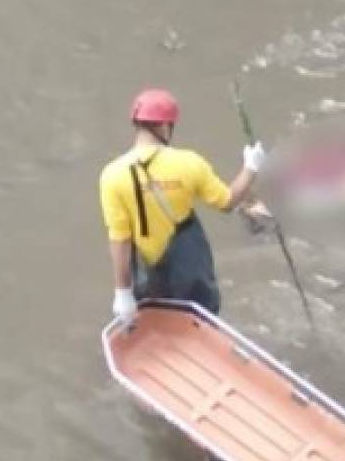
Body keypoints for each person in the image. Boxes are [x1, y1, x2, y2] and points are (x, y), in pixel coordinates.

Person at [99, 88, 266, 325]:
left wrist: (123, 292)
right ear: (166, 126)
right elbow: (227, 202)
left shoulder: (112, 176)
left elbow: (120, 240)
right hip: (189, 266)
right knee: (201, 320)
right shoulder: (189, 163)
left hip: (148, 269)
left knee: (154, 320)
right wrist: (251, 167)